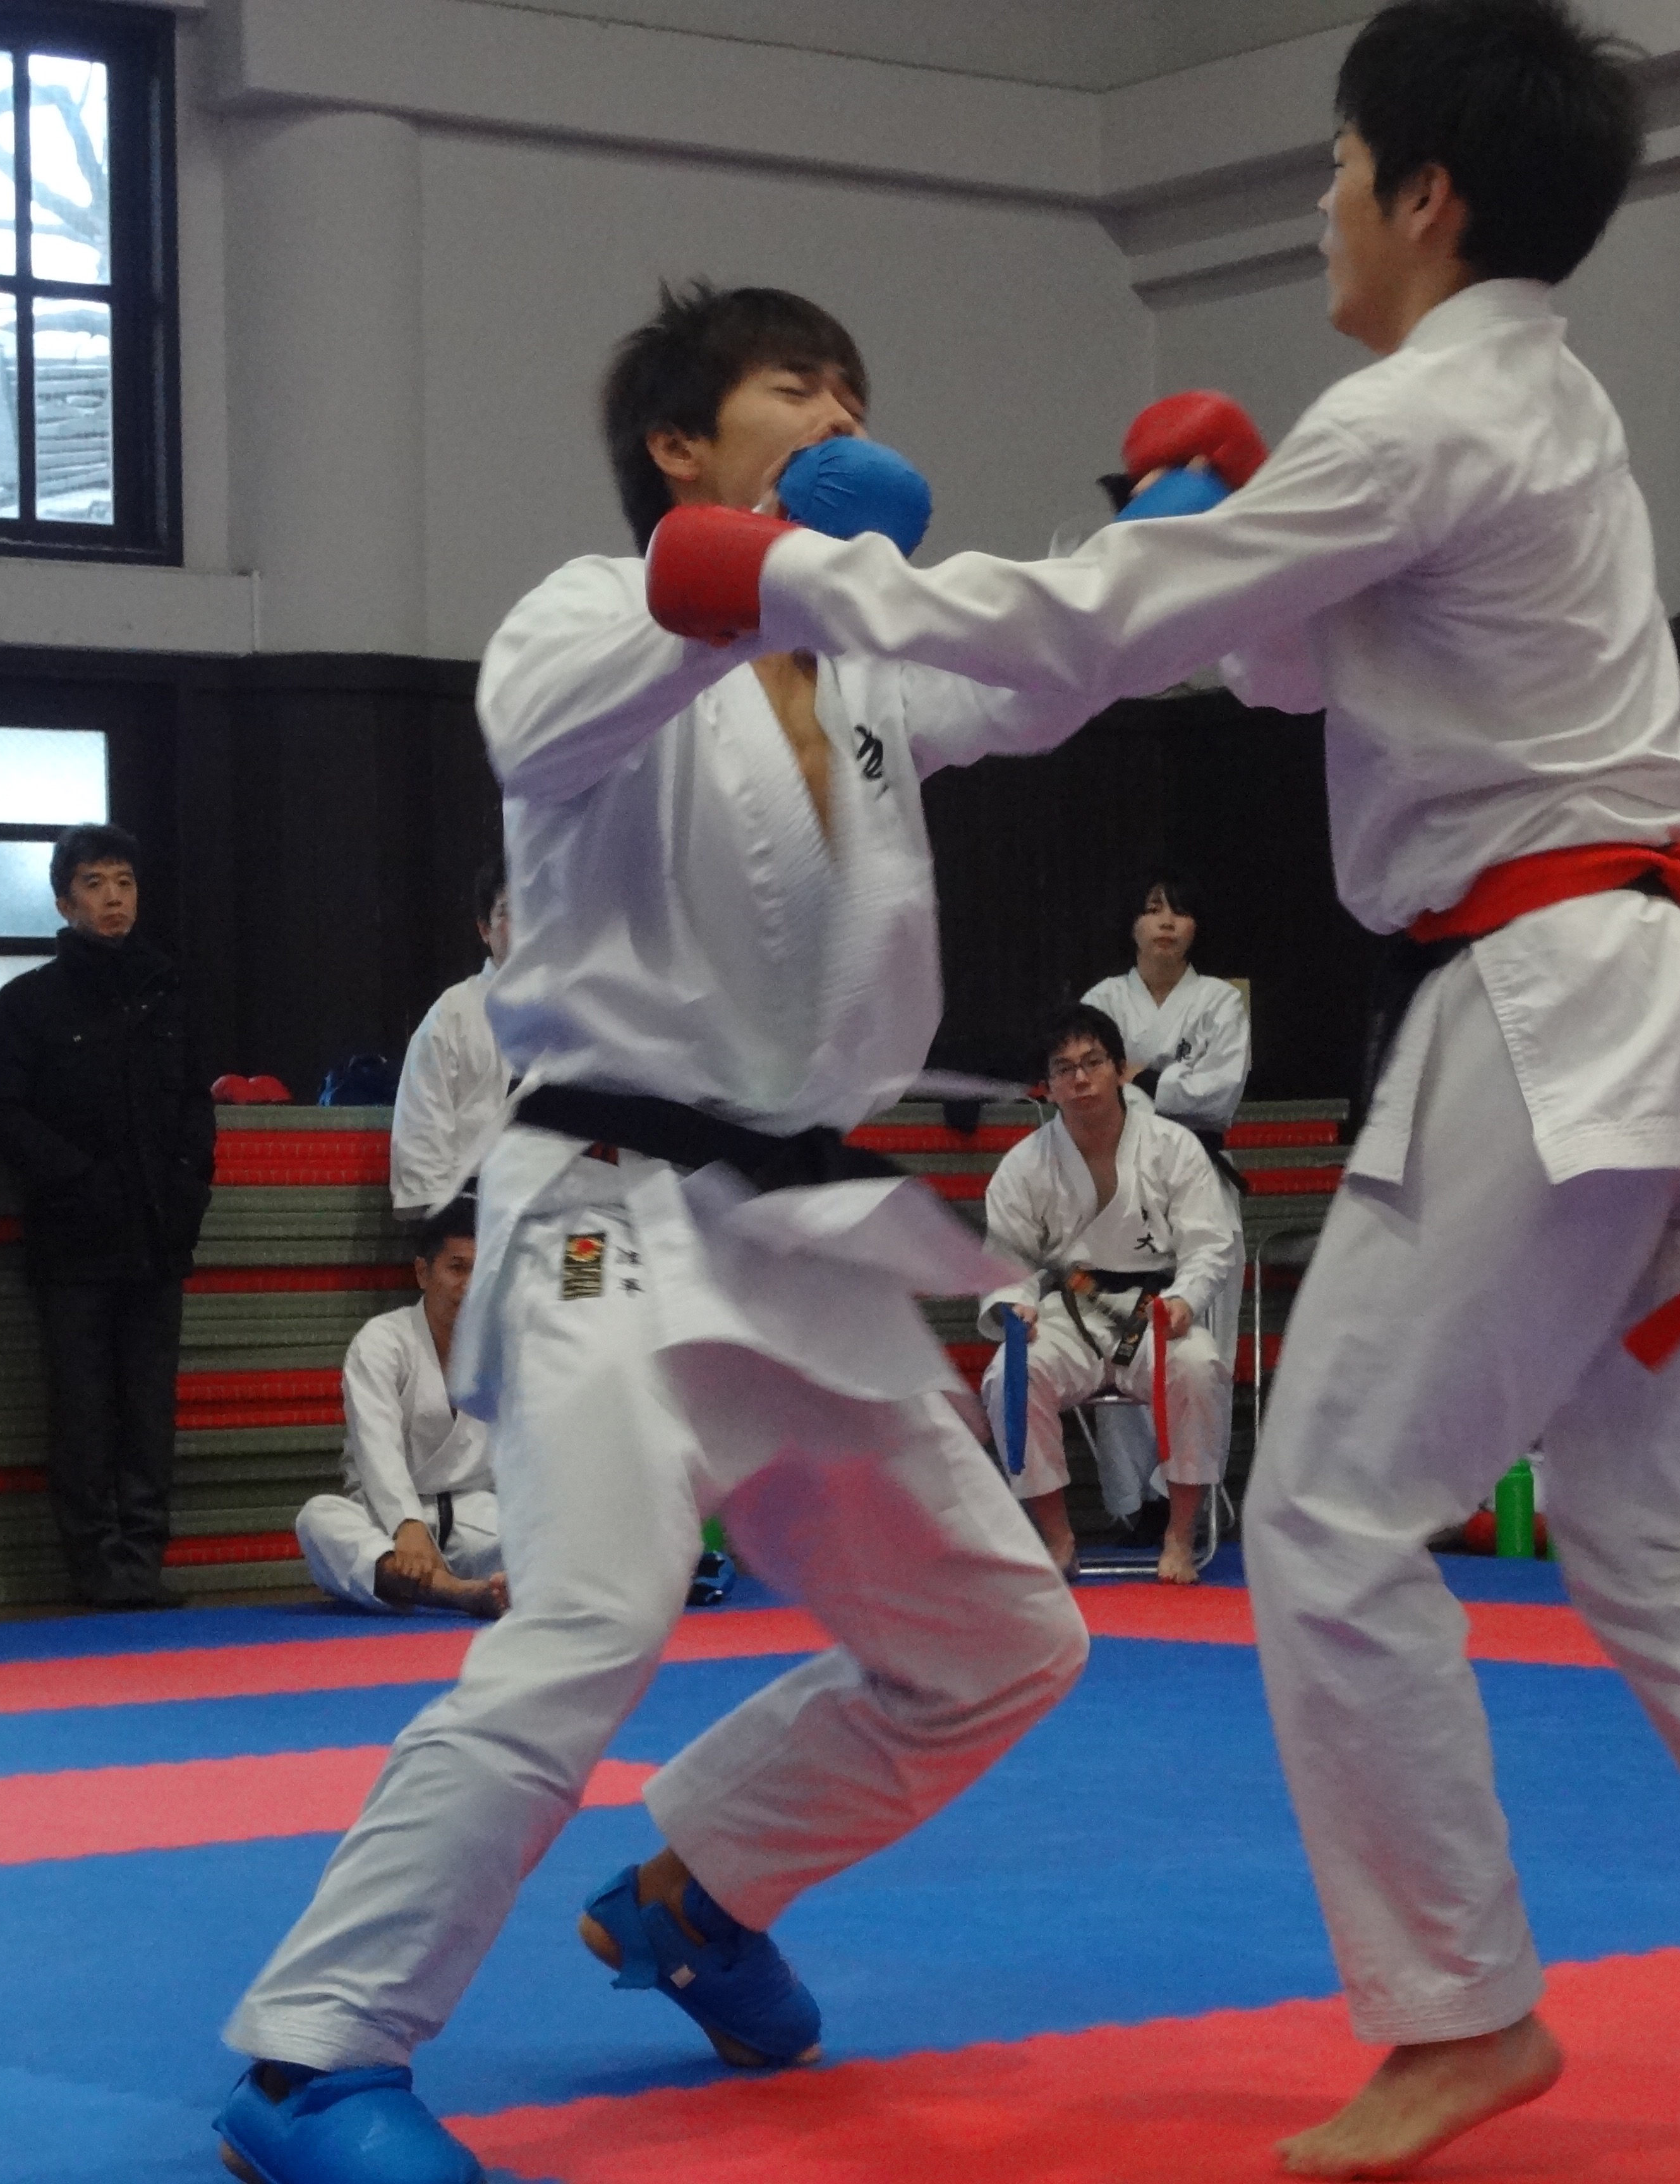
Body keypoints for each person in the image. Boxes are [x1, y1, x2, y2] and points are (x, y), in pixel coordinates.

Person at [636, 8, 1680, 2176]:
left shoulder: (1412, 415)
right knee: (1659, 1540)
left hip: (1544, 1002)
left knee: (1324, 1516)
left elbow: (1106, 627)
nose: (1318, 206)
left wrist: (802, 572)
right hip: (1673, 998)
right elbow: (1291, 650)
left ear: (1424, 195)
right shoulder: (1539, 401)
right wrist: (1222, 515)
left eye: (1338, 166)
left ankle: (1456, 2012)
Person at [212, 281, 1096, 2184]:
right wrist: (754, 566)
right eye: (798, 386)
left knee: (1003, 1638)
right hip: (603, 1206)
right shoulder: (588, 613)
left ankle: (702, 1893)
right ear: (681, 445)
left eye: (859, 385)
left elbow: (1047, 652)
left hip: (795, 1224)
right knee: (595, 1610)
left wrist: (1183, 547)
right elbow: (544, 724)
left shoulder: (861, 674)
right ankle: (310, 2059)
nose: (843, 410)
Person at [0, 824, 214, 1611]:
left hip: (158, 1234)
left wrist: (188, 1192)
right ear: (64, 902)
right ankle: (94, 1566)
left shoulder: (166, 989)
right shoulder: (30, 1000)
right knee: (82, 1410)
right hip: (72, 1238)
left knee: (149, 1408)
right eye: (96, 884)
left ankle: (143, 1558)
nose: (114, 898)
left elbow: (195, 1106)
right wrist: (77, 1180)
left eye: (125, 882)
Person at [979, 1004, 1242, 1584]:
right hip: (1069, 1312)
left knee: (1199, 1366)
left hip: (1153, 1311)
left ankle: (1180, 1535)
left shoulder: (1172, 1147)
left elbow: (1208, 1245)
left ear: (1120, 1070)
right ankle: (1058, 1540)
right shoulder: (1025, 1165)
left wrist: (1187, 1299)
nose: (1080, 1078)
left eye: (1093, 1062)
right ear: (1047, 1086)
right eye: (1064, 1068)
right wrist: (1013, 1306)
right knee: (1011, 1374)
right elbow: (1006, 1260)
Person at [295, 1196, 505, 1617]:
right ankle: (457, 1593)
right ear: (423, 1272)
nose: (469, 1286)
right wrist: (406, 1523)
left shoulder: (505, 1349)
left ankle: (460, 1588)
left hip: (476, 1518)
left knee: (551, 1531)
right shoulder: (382, 1342)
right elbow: (376, 1445)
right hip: (387, 1524)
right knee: (318, 1519)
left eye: (480, 1272)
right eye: (457, 1268)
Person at [1081, 876, 1250, 1164]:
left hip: (1198, 1160)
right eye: (1153, 910)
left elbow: (1221, 1096)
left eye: (1181, 912)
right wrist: (1176, 1090)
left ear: (1197, 928)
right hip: (1119, 1160)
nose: (1167, 923)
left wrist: (1143, 1080)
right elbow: (1090, 1086)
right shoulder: (1102, 1000)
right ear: (1132, 924)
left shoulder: (1221, 1001)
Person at [389, 859, 511, 1220]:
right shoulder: (452, 1016)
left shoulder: (574, 1016)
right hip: (471, 1206)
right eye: (510, 912)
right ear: (484, 929)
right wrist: (451, 1225)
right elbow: (422, 1145)